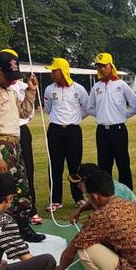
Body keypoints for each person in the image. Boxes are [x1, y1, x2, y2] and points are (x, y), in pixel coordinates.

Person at [0, 49, 45, 243]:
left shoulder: (9, 90)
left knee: (21, 188)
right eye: (8, 76)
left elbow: (23, 113)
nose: (13, 81)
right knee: (0, 192)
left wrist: (31, 91)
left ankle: (22, 228)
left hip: (14, 144)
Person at [86, 53, 136, 190]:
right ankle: (106, 196)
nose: (101, 69)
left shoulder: (121, 85)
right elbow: (89, 107)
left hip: (118, 130)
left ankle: (127, 196)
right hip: (102, 130)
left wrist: (121, 116)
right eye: (99, 66)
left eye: (104, 66)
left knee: (123, 164)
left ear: (111, 66)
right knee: (103, 165)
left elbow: (135, 105)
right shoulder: (96, 86)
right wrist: (103, 114)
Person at [43, 57, 89, 211]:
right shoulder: (49, 89)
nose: (52, 73)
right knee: (55, 165)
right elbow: (48, 108)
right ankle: (55, 199)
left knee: (74, 166)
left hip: (73, 131)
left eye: (54, 71)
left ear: (63, 71)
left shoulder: (78, 89)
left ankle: (78, 197)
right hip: (55, 130)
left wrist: (74, 119)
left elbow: (86, 108)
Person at [10, 78, 42, 225]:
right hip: (5, 132)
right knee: (8, 172)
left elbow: (28, 113)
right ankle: (10, 210)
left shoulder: (25, 87)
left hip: (21, 129)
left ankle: (31, 209)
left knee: (28, 170)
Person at [67, 163, 136, 224]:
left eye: (80, 182)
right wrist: (80, 210)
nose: (78, 186)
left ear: (90, 181)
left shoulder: (108, 204)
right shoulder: (105, 186)